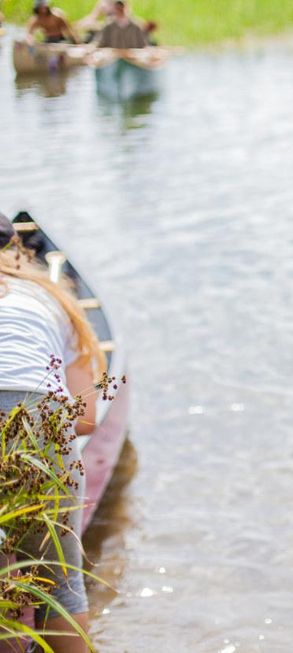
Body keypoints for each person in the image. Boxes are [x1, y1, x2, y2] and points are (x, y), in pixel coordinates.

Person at [0, 212, 106, 653]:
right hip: (40, 420)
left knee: (3, 591)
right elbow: (85, 419)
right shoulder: (49, 296)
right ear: (16, 253)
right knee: (60, 587)